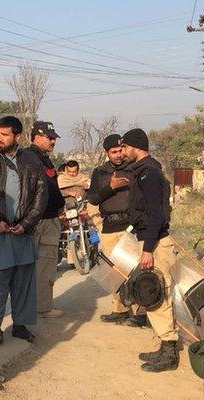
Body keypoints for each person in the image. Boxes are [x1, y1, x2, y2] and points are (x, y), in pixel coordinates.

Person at [0, 116, 48, 345]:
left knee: (23, 281)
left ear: (17, 136)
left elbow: (40, 196)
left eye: (4, 134)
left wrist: (26, 224)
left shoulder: (32, 161)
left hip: (22, 231)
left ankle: (21, 325)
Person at [122, 128, 180, 371]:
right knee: (152, 295)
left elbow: (155, 214)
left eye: (125, 147)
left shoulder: (149, 173)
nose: (122, 151)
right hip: (150, 240)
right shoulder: (144, 171)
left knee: (155, 293)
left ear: (137, 147)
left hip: (155, 243)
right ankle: (164, 346)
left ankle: (169, 351)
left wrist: (148, 249)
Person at [88, 134, 145, 327]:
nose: (119, 155)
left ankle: (141, 311)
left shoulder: (135, 169)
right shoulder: (100, 172)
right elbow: (93, 199)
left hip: (132, 226)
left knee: (138, 270)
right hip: (110, 227)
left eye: (121, 150)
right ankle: (120, 309)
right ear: (107, 153)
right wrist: (110, 188)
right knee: (115, 272)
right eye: (114, 152)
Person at [27, 121, 66, 319]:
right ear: (36, 136)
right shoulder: (31, 158)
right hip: (41, 219)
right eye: (48, 137)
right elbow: (44, 190)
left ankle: (37, 306)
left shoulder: (44, 159)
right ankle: (41, 307)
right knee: (43, 265)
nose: (52, 141)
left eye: (53, 138)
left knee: (42, 265)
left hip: (45, 218)